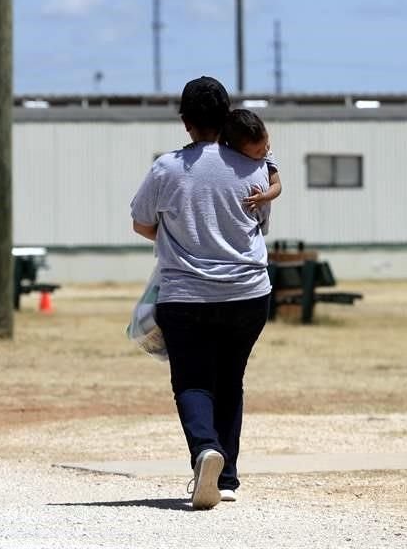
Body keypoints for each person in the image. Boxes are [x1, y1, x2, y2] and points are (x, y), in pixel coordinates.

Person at [130, 76, 272, 510]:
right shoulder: (254, 166)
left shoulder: (166, 168)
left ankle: (205, 450)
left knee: (192, 380)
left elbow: (141, 223)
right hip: (249, 292)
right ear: (227, 117)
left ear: (185, 122)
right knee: (230, 379)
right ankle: (226, 480)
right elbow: (260, 224)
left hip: (186, 294)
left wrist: (175, 235)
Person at [221, 108, 281, 233]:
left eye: (267, 143)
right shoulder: (228, 155)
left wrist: (264, 197)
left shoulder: (267, 156)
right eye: (258, 151)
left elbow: (277, 185)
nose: (265, 151)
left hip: (260, 222)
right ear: (238, 151)